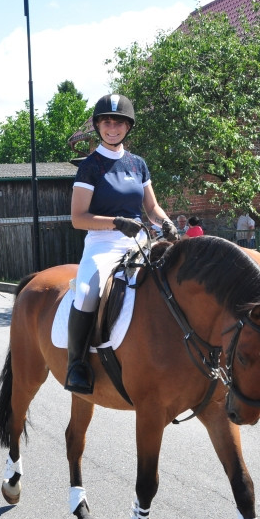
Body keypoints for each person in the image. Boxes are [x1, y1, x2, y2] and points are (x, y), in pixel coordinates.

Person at [65, 94, 175, 394]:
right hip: (103, 244)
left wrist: (164, 222)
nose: (112, 127)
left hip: (138, 241)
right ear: (98, 126)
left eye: (119, 122)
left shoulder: (138, 164)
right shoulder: (90, 166)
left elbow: (151, 208)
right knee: (87, 292)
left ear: (128, 126)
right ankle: (76, 365)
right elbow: (78, 218)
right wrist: (115, 222)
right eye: (106, 122)